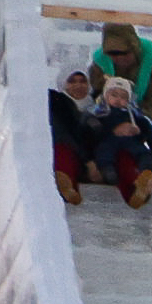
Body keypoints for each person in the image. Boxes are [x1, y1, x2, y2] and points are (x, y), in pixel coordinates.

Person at [89, 21, 152, 130]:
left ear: (135, 49)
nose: (119, 58)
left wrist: (139, 120)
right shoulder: (100, 60)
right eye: (113, 54)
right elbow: (98, 91)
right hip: (122, 102)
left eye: (124, 53)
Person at [88, 77, 152, 210]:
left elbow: (150, 131)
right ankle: (108, 170)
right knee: (105, 152)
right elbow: (91, 131)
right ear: (105, 95)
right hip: (110, 142)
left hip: (130, 142)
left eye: (123, 97)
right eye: (114, 95)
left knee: (140, 151)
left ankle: (147, 169)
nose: (118, 100)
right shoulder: (99, 112)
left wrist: (140, 131)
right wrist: (113, 131)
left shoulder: (134, 114)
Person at [48, 68, 98, 206]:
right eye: (72, 81)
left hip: (95, 155)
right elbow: (65, 132)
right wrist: (88, 160)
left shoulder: (100, 106)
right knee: (63, 150)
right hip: (68, 149)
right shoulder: (57, 102)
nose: (78, 85)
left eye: (83, 81)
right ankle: (65, 186)